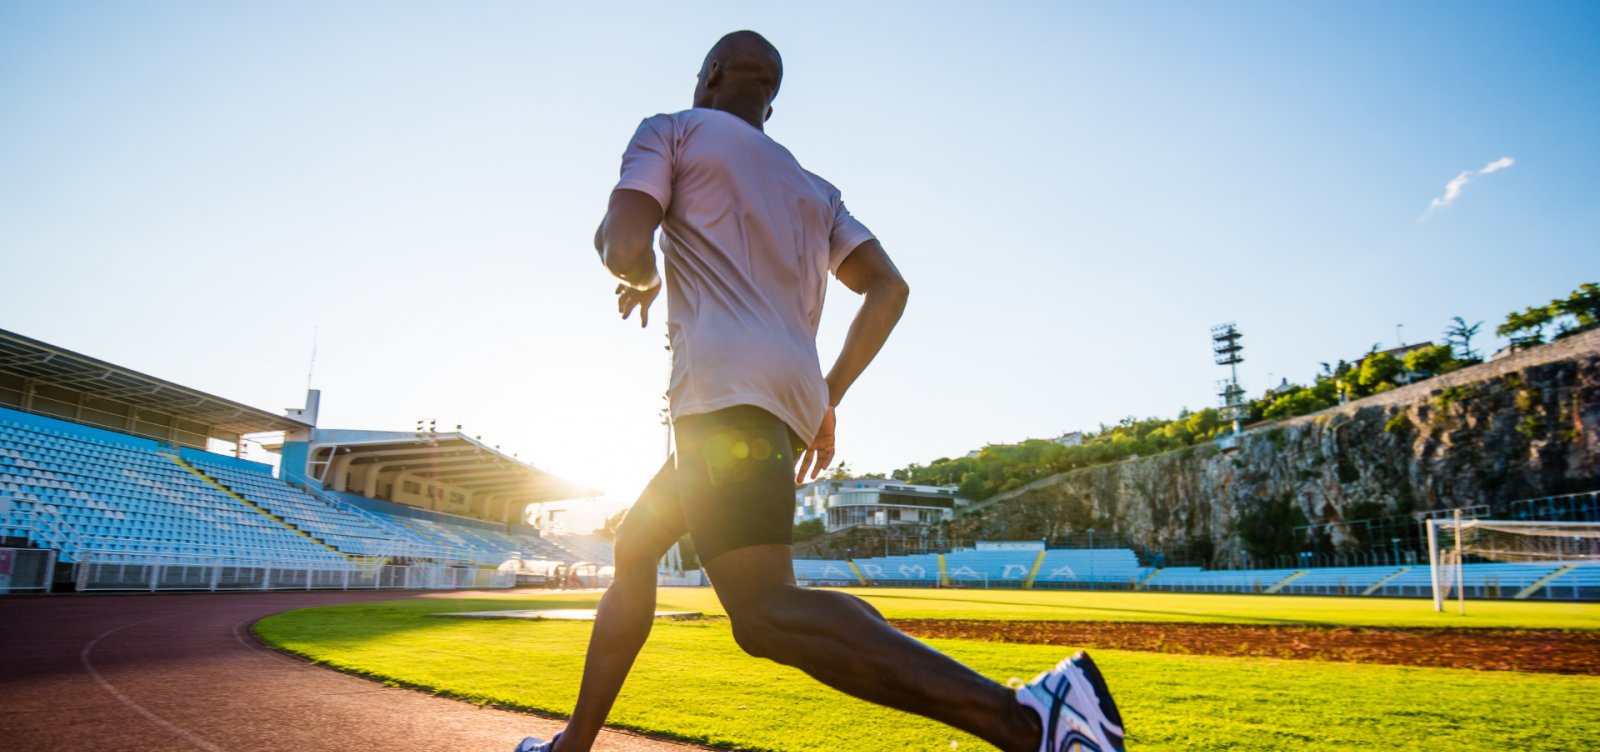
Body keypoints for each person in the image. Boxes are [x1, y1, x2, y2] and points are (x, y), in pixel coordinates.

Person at [518, 31, 1125, 752]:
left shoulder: (671, 132)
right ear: (770, 103)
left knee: (764, 613)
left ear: (708, 77)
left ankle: (1029, 719)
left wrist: (641, 280)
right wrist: (827, 393)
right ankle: (573, 745)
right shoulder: (816, 188)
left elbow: (622, 245)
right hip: (781, 398)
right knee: (639, 545)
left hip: (722, 394)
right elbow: (888, 289)